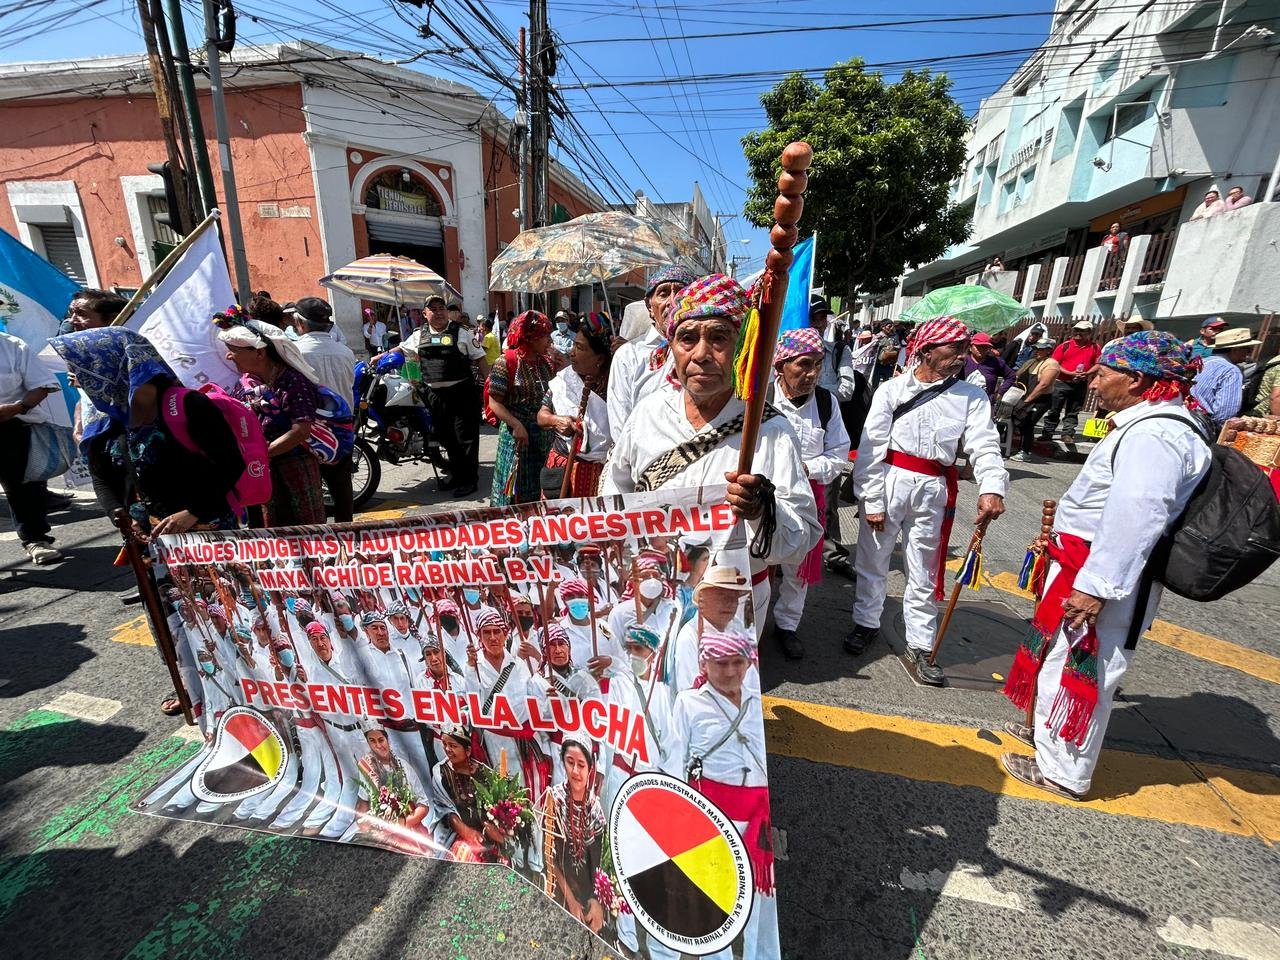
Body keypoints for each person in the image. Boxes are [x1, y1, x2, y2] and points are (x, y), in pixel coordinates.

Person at [1000, 331, 1210, 800]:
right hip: (1083, 563)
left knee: (1087, 664)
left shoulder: (1157, 434)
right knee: (1061, 655)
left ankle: (1063, 772)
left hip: (1102, 575)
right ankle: (1048, 740)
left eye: (1103, 371)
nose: (1091, 379)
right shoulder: (1146, 424)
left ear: (1136, 380)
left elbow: (1138, 515)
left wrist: (1097, 587)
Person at [602, 274, 822, 636]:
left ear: (740, 346)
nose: (701, 354)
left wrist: (760, 511)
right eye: (687, 338)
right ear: (671, 346)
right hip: (652, 597)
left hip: (733, 604)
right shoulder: (648, 414)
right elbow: (613, 494)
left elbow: (802, 540)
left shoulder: (770, 431)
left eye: (718, 337)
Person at [848, 316, 1009, 684]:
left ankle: (920, 643)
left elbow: (984, 444)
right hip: (890, 482)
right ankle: (865, 623)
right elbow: (872, 449)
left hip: (934, 488)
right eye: (954, 349)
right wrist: (871, 500)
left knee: (924, 568)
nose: (961, 357)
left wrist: (992, 487)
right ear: (926, 350)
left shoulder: (972, 395)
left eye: (964, 349)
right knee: (873, 560)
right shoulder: (892, 391)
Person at [664, 630, 777, 960]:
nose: (730, 672)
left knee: (764, 900)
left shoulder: (757, 702)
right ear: (705, 663)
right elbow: (673, 762)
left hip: (759, 820)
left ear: (747, 664)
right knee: (714, 903)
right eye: (721, 664)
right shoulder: (688, 703)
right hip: (713, 818)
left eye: (737, 663)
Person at [767, 327, 851, 659]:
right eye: (803, 364)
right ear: (780, 367)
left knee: (797, 569)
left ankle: (787, 625)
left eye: (818, 364)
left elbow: (838, 452)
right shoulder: (760, 399)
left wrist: (807, 469)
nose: (813, 373)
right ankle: (753, 624)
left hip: (807, 499)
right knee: (757, 564)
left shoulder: (827, 404)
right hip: (763, 499)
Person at [219, 317, 326, 527]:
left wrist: (262, 454)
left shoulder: (292, 381)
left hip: (294, 470)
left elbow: (301, 429)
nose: (228, 355)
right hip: (261, 471)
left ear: (259, 352)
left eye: (234, 350)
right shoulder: (248, 384)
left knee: (302, 531)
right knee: (267, 535)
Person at [386, 294, 488, 496]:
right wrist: (383, 355)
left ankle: (469, 480)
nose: (439, 312)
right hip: (433, 395)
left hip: (462, 393)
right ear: (425, 314)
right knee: (446, 438)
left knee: (465, 438)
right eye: (433, 309)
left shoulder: (462, 333)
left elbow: (481, 359)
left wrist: (490, 388)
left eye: (442, 308)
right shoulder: (418, 335)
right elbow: (402, 348)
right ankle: (457, 476)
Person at [606, 265, 697, 435]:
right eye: (663, 293)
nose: (672, 301)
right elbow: (620, 426)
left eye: (680, 292)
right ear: (649, 307)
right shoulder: (628, 355)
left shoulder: (702, 354)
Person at [291, 296, 358, 523]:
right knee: (342, 489)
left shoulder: (295, 352)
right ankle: (347, 537)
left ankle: (318, 541)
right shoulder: (345, 352)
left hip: (310, 430)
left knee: (312, 491)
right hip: (342, 428)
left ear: (300, 323)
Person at [0, 330, 63, 564]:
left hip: (11, 425)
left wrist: (18, 408)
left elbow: (43, 385)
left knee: (24, 487)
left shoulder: (13, 346)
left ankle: (36, 539)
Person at [538, 312, 613, 498]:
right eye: (573, 345)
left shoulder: (616, 386)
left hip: (598, 474)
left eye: (580, 348)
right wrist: (556, 420)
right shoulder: (564, 380)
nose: (572, 353)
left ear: (600, 359)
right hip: (560, 469)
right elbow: (541, 416)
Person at [487, 310, 556, 506]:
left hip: (541, 438)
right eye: (545, 336)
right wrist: (516, 425)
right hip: (516, 438)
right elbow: (495, 402)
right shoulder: (506, 361)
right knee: (514, 487)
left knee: (538, 485)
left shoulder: (546, 362)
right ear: (531, 337)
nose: (549, 341)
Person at [545, 739, 607, 933]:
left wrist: (596, 901)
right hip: (560, 890)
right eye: (570, 762)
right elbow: (548, 856)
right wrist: (571, 901)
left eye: (581, 765)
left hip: (589, 894)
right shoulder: (553, 801)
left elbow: (601, 864)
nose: (575, 771)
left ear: (590, 768)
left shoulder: (595, 809)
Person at [670, 563, 751, 693]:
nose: (729, 603)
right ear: (703, 599)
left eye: (734, 597)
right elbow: (689, 693)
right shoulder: (690, 637)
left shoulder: (736, 625)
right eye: (722, 596)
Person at [352, 721, 432, 851]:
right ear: (368, 743)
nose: (378, 745)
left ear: (387, 739)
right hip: (380, 831)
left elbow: (423, 805)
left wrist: (400, 825)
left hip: (408, 828)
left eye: (381, 740)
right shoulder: (367, 767)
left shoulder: (404, 766)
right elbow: (363, 804)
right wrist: (369, 830)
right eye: (372, 741)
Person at [430, 727, 499, 859]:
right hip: (458, 834)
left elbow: (494, 807)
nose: (447, 749)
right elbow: (444, 810)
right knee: (464, 853)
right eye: (444, 744)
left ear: (467, 751)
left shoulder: (484, 773)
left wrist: (489, 828)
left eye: (453, 745)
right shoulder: (440, 773)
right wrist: (466, 831)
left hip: (488, 834)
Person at [1042, 320, 1100, 445]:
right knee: (1054, 409)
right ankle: (1048, 432)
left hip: (1080, 383)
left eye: (1082, 331)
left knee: (1073, 411)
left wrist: (1087, 373)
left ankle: (1067, 434)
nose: (1078, 333)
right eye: (1076, 330)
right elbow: (1055, 363)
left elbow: (1098, 363)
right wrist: (1070, 373)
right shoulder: (1065, 345)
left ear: (1089, 333)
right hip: (1061, 382)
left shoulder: (1095, 347)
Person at [1190, 326, 1260, 430]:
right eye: (1248, 350)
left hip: (1187, 417)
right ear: (1236, 349)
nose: (1248, 354)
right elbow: (1226, 412)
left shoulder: (1204, 362)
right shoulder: (1231, 371)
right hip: (1203, 426)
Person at [1009, 338, 1062, 462]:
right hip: (1023, 396)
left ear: (1049, 350)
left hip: (1040, 399)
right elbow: (1017, 375)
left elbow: (1043, 385)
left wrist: (1028, 400)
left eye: (1041, 349)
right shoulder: (1031, 362)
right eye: (1036, 348)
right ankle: (1018, 448)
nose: (1037, 351)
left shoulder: (1051, 364)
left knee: (1028, 423)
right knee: (1019, 421)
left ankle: (1025, 452)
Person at [963, 332, 1017, 402]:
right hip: (962, 400)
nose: (981, 349)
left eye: (985, 347)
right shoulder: (963, 361)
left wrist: (1000, 393)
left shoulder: (996, 362)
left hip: (984, 402)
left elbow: (1011, 376)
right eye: (978, 346)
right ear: (970, 347)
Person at [871, 319, 902, 387]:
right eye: (889, 326)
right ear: (883, 327)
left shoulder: (894, 336)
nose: (891, 328)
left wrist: (893, 347)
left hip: (889, 365)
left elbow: (899, 346)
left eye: (892, 326)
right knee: (874, 385)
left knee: (888, 385)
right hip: (877, 365)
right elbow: (871, 349)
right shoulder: (877, 337)